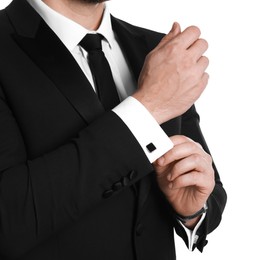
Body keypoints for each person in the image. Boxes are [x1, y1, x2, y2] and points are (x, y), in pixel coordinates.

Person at [0, 0, 227, 259]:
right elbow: (8, 218)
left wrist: (193, 212)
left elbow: (210, 192)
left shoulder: (158, 50)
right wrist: (146, 109)